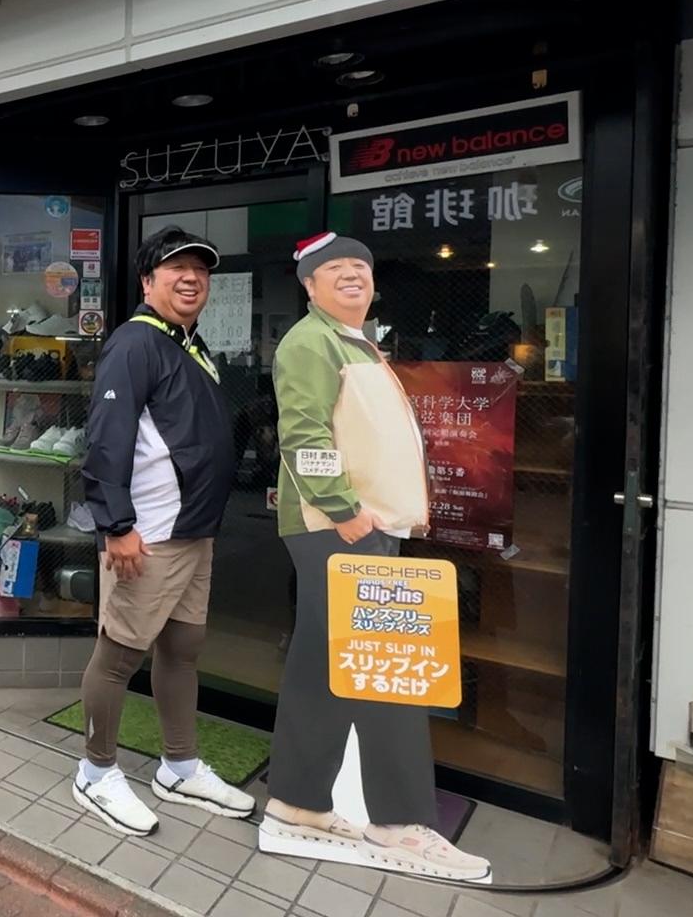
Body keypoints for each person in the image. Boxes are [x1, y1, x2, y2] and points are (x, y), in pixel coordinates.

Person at [261, 232, 490, 882]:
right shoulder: (311, 342)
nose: (351, 276)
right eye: (334, 270)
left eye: (360, 268)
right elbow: (303, 433)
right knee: (387, 668)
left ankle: (300, 802)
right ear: (308, 284)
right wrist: (344, 511)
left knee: (321, 668)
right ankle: (401, 821)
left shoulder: (351, 343)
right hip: (343, 528)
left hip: (355, 527)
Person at [74, 226, 251, 837]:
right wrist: (116, 525)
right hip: (146, 536)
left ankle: (178, 765)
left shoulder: (191, 347)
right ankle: (95, 773)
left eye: (200, 269)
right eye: (176, 267)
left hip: (194, 534)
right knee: (119, 656)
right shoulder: (135, 342)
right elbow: (106, 439)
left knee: (183, 650)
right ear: (148, 281)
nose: (191, 277)